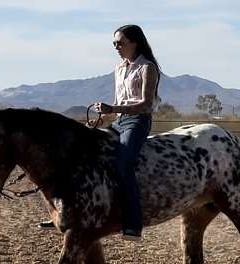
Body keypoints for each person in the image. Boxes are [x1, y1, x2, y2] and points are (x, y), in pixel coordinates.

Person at [40, 24, 161, 241]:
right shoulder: (119, 69)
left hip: (138, 122)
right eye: (114, 43)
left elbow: (145, 104)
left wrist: (112, 109)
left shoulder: (147, 68)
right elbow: (118, 103)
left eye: (120, 43)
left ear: (134, 42)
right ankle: (64, 214)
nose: (116, 47)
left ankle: (133, 223)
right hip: (119, 121)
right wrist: (101, 119)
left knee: (124, 164)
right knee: (78, 152)